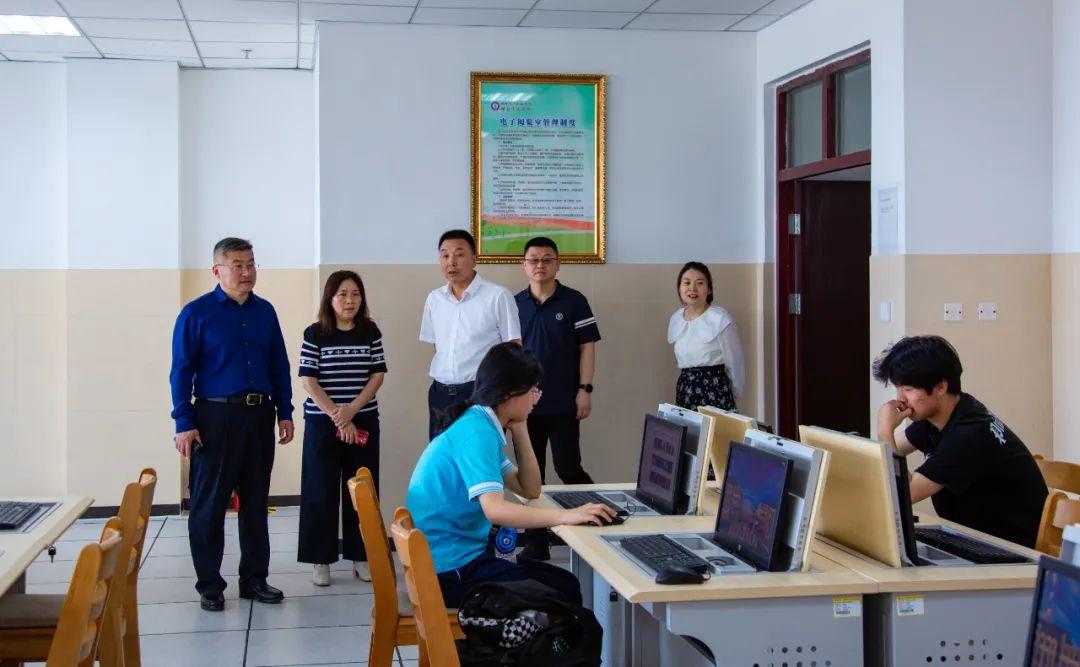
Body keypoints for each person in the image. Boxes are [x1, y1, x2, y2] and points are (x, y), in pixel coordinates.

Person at [405, 342, 616, 608]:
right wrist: (564, 516)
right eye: (533, 390)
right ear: (509, 394)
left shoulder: (480, 421)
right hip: (450, 573)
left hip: (452, 560)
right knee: (562, 589)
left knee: (564, 583)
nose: (536, 398)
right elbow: (495, 510)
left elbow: (529, 489)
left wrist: (521, 427)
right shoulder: (477, 433)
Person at [170, 237, 294, 612]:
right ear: (217, 270)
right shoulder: (196, 313)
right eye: (237, 265)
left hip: (259, 415)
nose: (246, 272)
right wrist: (183, 421)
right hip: (215, 417)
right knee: (209, 504)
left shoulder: (265, 312)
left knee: (255, 503)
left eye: (251, 264)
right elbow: (181, 371)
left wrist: (285, 411)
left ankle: (255, 579)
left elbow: (279, 364)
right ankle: (210, 584)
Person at [873, 335, 1048, 548]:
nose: (900, 397)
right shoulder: (943, 415)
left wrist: (885, 431)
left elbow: (902, 495)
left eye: (908, 389)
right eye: (898, 388)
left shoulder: (970, 434)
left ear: (940, 387)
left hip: (1008, 551)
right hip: (970, 539)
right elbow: (877, 458)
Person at [297, 270, 387, 586]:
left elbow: (377, 376)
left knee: (362, 490)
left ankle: (362, 556)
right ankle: (320, 559)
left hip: (362, 419)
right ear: (330, 298)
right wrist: (338, 416)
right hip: (323, 423)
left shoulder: (370, 331)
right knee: (319, 490)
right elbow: (308, 380)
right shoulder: (315, 333)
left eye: (355, 294)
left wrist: (351, 412)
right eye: (342, 294)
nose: (349, 301)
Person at [514, 237, 601, 561]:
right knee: (530, 478)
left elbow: (587, 347)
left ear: (558, 264)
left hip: (564, 402)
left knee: (569, 469)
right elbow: (508, 353)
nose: (540, 265)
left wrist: (585, 390)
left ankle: (597, 524)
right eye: (534, 259)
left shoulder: (574, 301)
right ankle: (536, 543)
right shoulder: (514, 304)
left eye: (547, 259)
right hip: (525, 408)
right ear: (524, 265)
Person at [420, 229, 521, 440]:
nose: (451, 262)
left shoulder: (497, 296)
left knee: (479, 456)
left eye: (459, 254)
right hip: (440, 395)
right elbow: (438, 346)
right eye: (445, 255)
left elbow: (514, 348)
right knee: (443, 456)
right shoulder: (434, 299)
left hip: (481, 395)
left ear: (474, 259)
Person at [667, 261, 746, 411]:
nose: (692, 288)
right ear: (679, 288)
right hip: (685, 392)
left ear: (709, 289)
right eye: (687, 283)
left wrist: (731, 396)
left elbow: (736, 364)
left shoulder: (720, 319)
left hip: (715, 392)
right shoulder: (676, 318)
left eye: (700, 283)